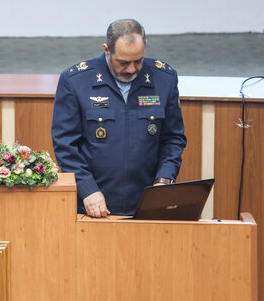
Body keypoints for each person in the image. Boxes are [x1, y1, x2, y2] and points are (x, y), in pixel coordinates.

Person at [51, 19, 187, 217]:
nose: (132, 69)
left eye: (138, 60)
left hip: (147, 202)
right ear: (107, 50)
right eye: (123, 62)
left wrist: (164, 181)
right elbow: (65, 145)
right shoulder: (76, 81)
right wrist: (88, 189)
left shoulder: (164, 78)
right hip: (93, 205)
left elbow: (173, 139)